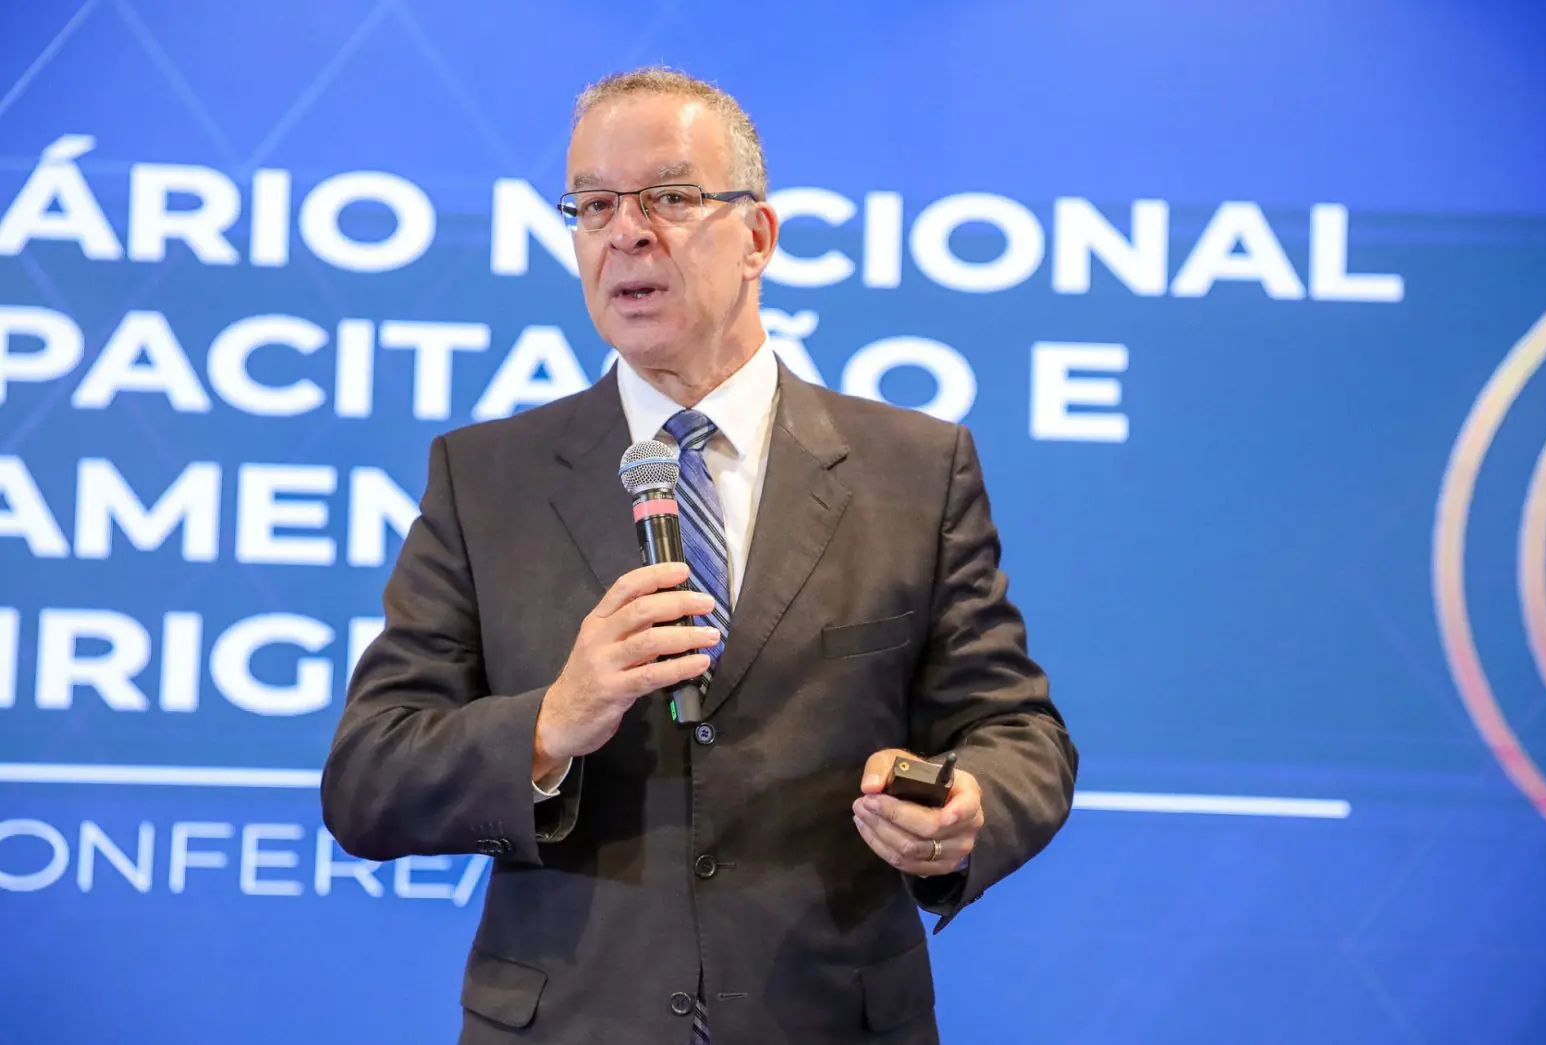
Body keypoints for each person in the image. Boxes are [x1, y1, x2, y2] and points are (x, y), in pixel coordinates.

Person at [320, 67, 1077, 1045]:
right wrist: (551, 722)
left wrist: (966, 807)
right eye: (594, 206)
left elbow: (1016, 730)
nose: (626, 233)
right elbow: (368, 779)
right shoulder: (485, 478)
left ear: (758, 235)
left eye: (669, 197)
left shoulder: (914, 470)